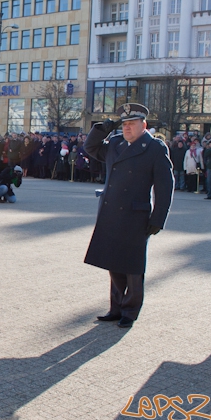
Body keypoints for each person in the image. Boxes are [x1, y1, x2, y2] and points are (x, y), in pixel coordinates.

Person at [83, 103, 174, 328]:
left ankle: (130, 311)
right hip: (112, 211)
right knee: (113, 261)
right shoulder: (115, 143)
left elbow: (165, 186)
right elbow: (90, 147)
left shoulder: (154, 148)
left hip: (136, 214)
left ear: (144, 125)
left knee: (133, 267)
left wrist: (158, 219)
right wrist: (104, 128)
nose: (127, 128)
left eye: (132, 124)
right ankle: (115, 308)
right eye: (124, 124)